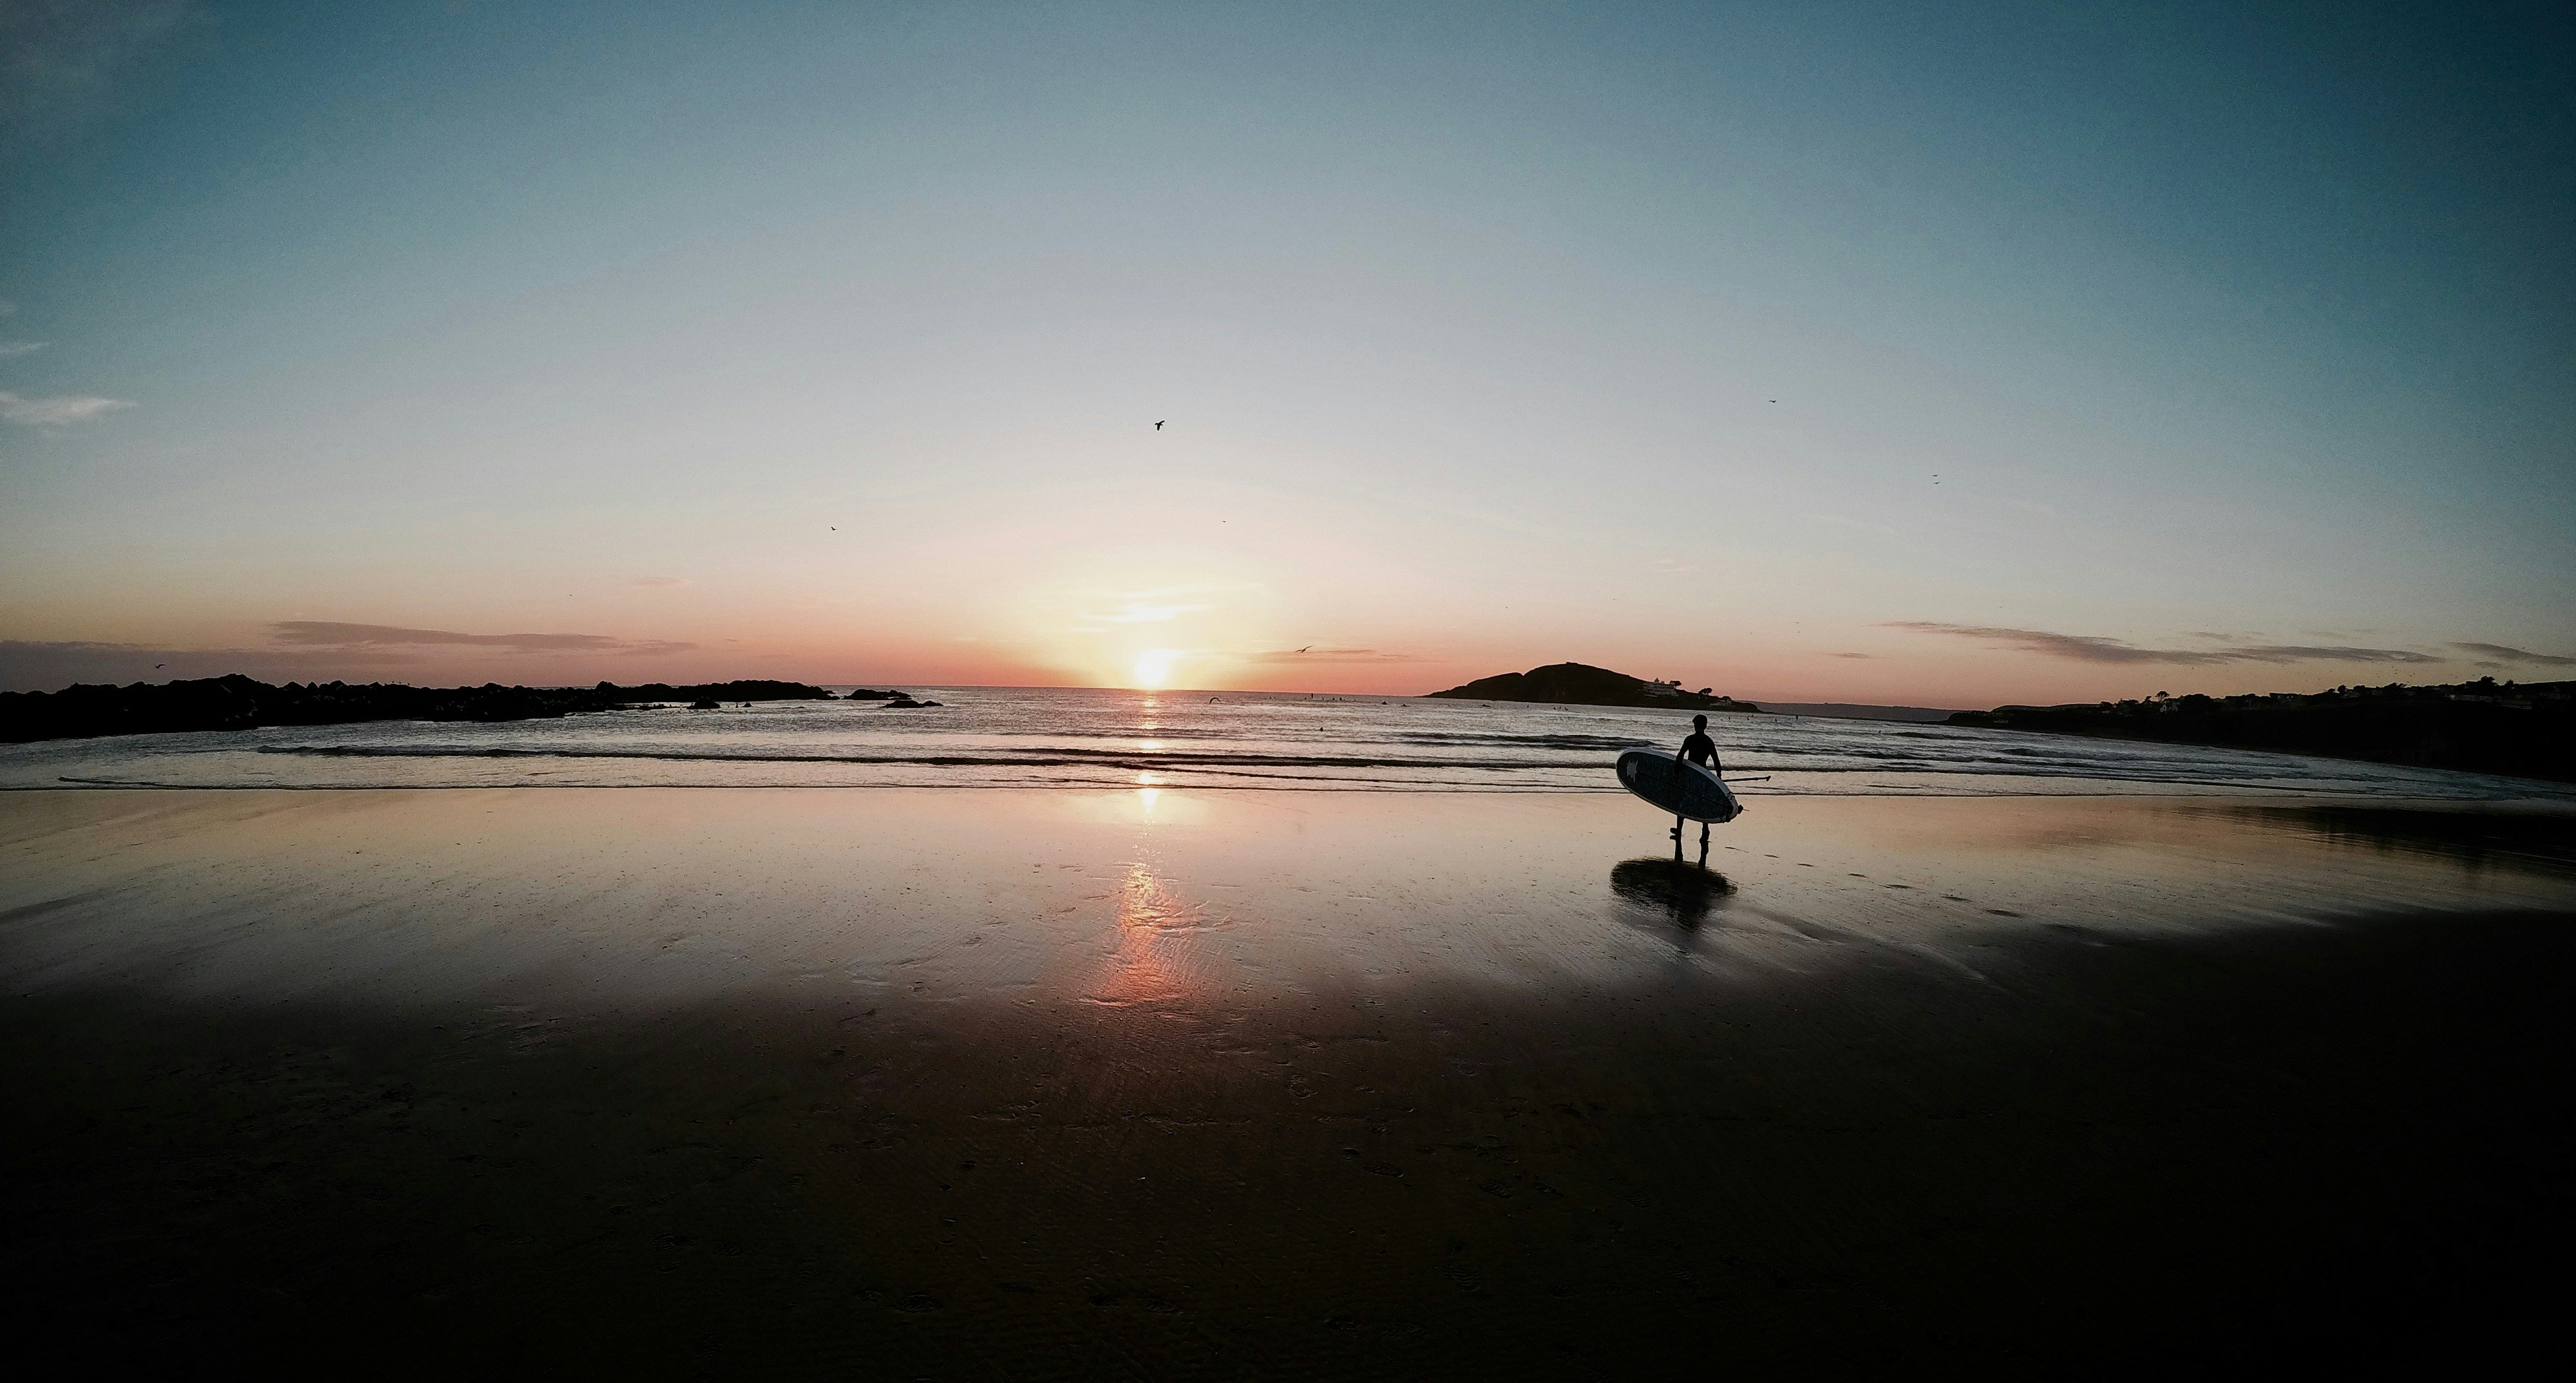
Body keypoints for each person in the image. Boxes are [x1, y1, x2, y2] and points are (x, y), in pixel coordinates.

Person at [1674, 714, 1722, 855]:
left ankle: (1679, 830)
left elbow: (1681, 755)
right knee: (1702, 802)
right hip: (1702, 774)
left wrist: (1676, 771)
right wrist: (1719, 777)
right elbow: (1716, 760)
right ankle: (1705, 829)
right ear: (1706, 726)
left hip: (1690, 774)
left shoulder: (1690, 739)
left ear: (1695, 725)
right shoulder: (1709, 741)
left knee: (1682, 801)